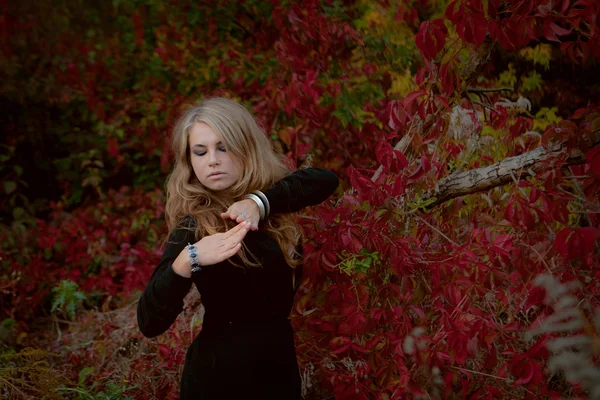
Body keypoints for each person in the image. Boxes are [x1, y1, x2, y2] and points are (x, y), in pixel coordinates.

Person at [136, 97, 339, 399]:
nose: (213, 160)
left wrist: (258, 203)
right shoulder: (195, 225)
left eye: (223, 146)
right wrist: (188, 259)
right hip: (219, 379)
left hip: (278, 373)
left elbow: (325, 180)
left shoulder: (273, 203)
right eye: (200, 152)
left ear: (245, 146)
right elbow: (149, 322)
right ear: (190, 162)